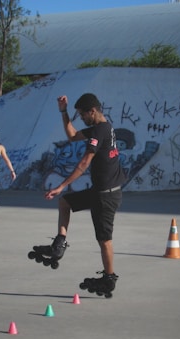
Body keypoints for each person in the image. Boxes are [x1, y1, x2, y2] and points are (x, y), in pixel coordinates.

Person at [39, 93, 126, 297]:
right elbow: (72, 136)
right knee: (65, 203)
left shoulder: (100, 131)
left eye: (82, 114)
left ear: (92, 111)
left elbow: (85, 162)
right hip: (100, 191)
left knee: (104, 240)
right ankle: (59, 244)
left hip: (106, 195)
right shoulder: (103, 127)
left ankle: (109, 278)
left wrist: (62, 184)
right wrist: (63, 111)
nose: (81, 118)